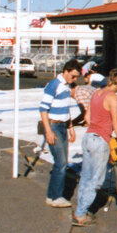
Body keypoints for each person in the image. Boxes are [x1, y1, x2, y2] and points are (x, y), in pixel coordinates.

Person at [73, 68, 117, 227]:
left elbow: (87, 118)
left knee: (85, 176)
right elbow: (116, 121)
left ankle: (80, 209)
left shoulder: (96, 93)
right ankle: (80, 214)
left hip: (88, 137)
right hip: (100, 141)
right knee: (96, 180)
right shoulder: (113, 97)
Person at [39, 59, 83, 208]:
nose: (74, 80)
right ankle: (56, 196)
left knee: (61, 163)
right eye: (73, 76)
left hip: (63, 126)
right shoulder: (54, 85)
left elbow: (66, 108)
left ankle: (51, 196)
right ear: (65, 72)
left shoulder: (66, 86)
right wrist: (48, 131)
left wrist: (70, 127)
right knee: (61, 162)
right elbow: (43, 109)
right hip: (54, 126)